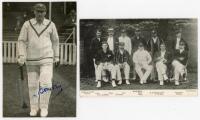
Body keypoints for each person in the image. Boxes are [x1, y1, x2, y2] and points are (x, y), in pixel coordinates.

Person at [17, 3, 59, 117]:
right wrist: (21, 55)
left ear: (45, 12)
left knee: (46, 83)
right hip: (31, 59)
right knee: (32, 85)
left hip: (47, 58)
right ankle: (34, 108)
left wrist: (57, 56)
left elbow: (55, 41)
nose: (40, 13)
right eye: (38, 11)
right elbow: (21, 40)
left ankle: (44, 108)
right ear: (34, 12)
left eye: (42, 11)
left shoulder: (51, 24)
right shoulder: (27, 24)